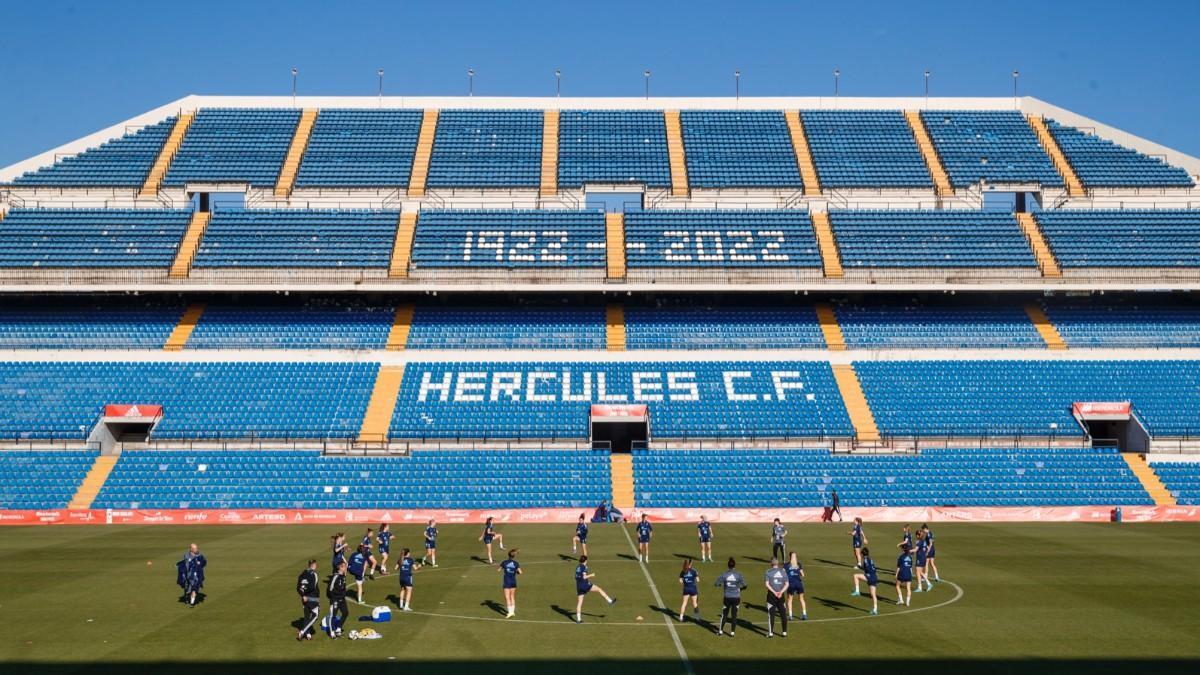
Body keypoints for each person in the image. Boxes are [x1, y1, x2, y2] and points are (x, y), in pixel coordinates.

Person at [573, 554, 616, 623]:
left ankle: (578, 619)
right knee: (599, 589)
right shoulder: (584, 567)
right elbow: (584, 577)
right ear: (585, 561)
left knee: (580, 602)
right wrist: (591, 575)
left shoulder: (578, 567)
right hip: (585, 585)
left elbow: (576, 577)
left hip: (578, 586)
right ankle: (610, 601)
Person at [714, 557, 747, 637]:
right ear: (734, 566)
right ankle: (732, 632)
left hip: (727, 597)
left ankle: (721, 631)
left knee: (724, 614)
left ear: (728, 566)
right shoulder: (739, 575)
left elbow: (716, 583)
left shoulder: (724, 574)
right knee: (734, 615)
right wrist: (740, 589)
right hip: (736, 597)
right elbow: (745, 585)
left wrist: (721, 585)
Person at [296, 559, 321, 641]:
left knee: (307, 617)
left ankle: (308, 634)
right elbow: (312, 587)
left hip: (304, 598)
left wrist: (303, 595)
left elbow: (298, 588)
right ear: (313, 565)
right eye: (315, 564)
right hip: (312, 598)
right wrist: (307, 596)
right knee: (315, 615)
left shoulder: (302, 574)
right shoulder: (314, 574)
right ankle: (302, 631)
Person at [764, 558, 789, 638]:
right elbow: (787, 584)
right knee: (783, 614)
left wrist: (775, 592)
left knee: (771, 615)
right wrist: (781, 592)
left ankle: (771, 633)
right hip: (781, 596)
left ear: (771, 564)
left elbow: (767, 585)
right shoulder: (783, 572)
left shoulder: (768, 572)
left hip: (771, 596)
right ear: (777, 564)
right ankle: (784, 632)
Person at [850, 547, 879, 615]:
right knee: (873, 595)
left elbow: (867, 569)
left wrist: (865, 571)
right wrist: (861, 567)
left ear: (863, 554)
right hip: (875, 577)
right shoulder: (870, 559)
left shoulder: (865, 560)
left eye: (861, 554)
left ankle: (857, 591)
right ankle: (875, 609)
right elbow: (869, 568)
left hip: (870, 576)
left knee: (855, 576)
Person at [176, 543, 207, 608]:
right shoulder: (186, 555)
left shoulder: (200, 556)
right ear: (191, 549)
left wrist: (200, 563)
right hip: (187, 575)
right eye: (195, 548)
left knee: (194, 587)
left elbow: (204, 562)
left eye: (197, 548)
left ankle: (192, 603)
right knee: (186, 587)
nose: (197, 549)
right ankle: (187, 596)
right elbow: (186, 563)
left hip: (196, 575)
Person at [326, 560, 349, 638]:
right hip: (335, 599)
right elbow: (329, 589)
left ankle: (338, 629)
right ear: (340, 567)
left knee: (345, 613)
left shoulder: (343, 576)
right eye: (344, 566)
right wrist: (332, 598)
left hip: (342, 599)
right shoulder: (335, 577)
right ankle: (332, 632)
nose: (346, 567)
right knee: (333, 615)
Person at [499, 549, 521, 618]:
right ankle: (512, 612)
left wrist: (503, 568)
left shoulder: (504, 562)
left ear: (508, 555)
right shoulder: (516, 563)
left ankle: (510, 612)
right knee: (512, 596)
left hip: (507, 582)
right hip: (513, 581)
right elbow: (520, 572)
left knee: (507, 597)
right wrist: (515, 571)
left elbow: (498, 570)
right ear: (514, 556)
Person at [785, 551, 807, 621]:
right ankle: (804, 614)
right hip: (799, 583)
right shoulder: (799, 564)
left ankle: (791, 616)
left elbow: (784, 574)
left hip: (791, 584)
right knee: (801, 599)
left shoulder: (786, 565)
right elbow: (803, 575)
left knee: (790, 599)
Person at [397, 547, 420, 611]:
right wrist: (420, 566)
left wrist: (402, 566)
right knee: (409, 591)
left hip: (401, 577)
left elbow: (396, 568)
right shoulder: (410, 560)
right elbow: (415, 568)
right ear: (408, 553)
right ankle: (406, 607)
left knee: (402, 589)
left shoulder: (400, 559)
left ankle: (401, 605)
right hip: (407, 577)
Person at [678, 558, 700, 622]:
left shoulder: (683, 571)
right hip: (693, 588)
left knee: (684, 603)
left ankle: (681, 617)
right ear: (690, 563)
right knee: (695, 603)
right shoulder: (694, 571)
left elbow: (680, 581)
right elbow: (698, 580)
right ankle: (697, 618)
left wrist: (685, 581)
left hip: (686, 588)